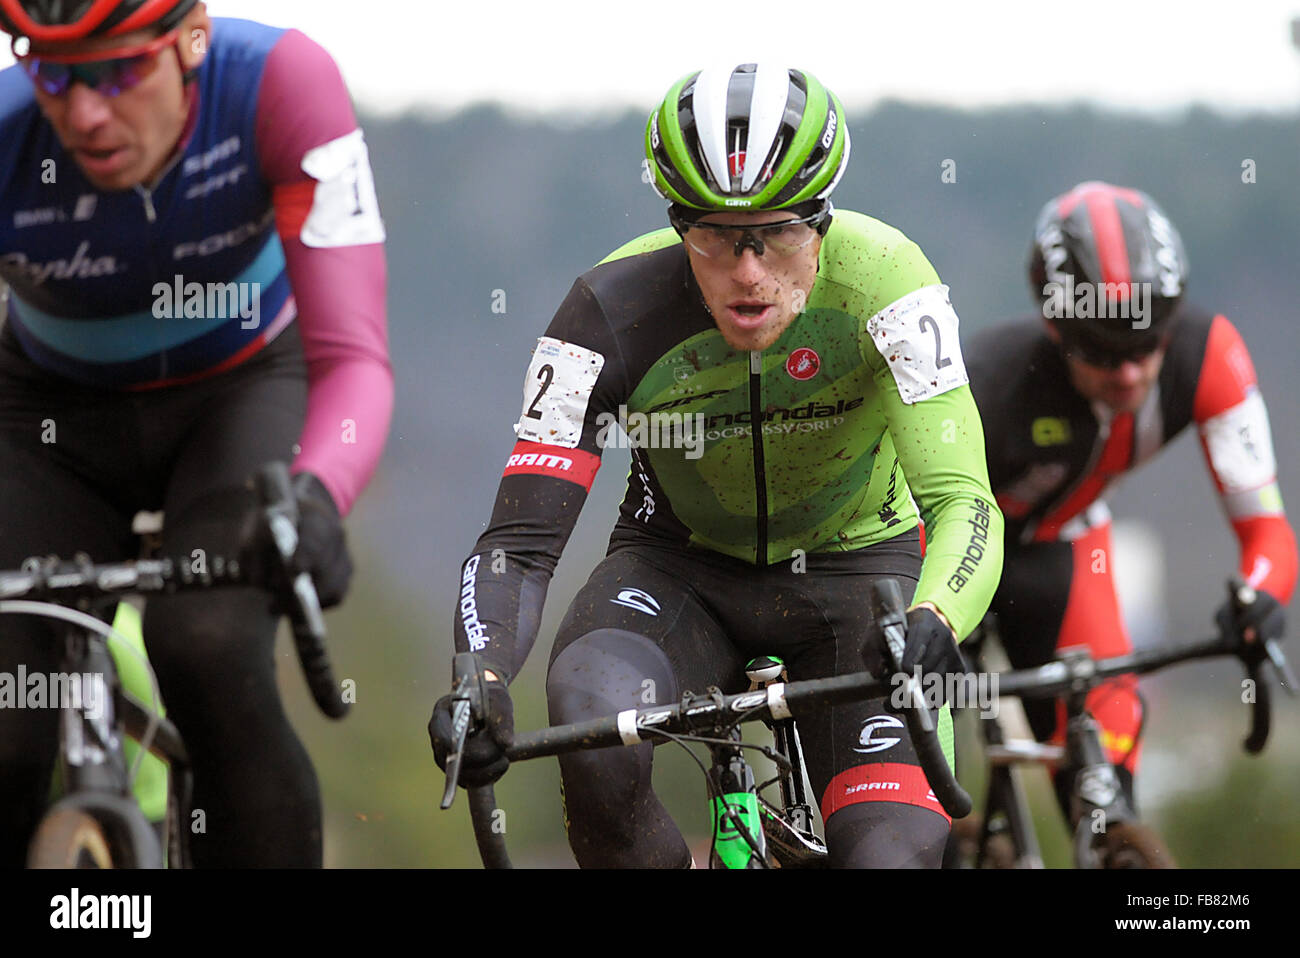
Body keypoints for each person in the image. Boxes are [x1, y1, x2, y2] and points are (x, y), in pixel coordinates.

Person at [430, 63, 1003, 868]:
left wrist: (937, 617)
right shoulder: (603, 315)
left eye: (780, 234)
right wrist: (480, 675)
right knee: (588, 714)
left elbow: (963, 502)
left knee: (889, 860)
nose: (748, 272)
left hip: (858, 573)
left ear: (824, 220)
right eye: (713, 237)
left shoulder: (888, 286)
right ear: (675, 225)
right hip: (677, 572)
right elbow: (518, 544)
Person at [0, 0, 392, 866]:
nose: (85, 113)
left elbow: (354, 360)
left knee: (206, 650)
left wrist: (319, 495)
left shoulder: (280, 85)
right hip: (48, 420)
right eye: (55, 74)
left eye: (118, 70)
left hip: (240, 396)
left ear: (191, 40)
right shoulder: (7, 131)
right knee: (6, 723)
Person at [965, 180, 1296, 859]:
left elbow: (1267, 529)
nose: (1129, 372)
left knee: (1106, 777)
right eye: (1102, 351)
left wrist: (1260, 597)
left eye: (1148, 344)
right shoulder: (989, 379)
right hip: (942, 556)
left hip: (1060, 550)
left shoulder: (1208, 354)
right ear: (1056, 329)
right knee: (912, 779)